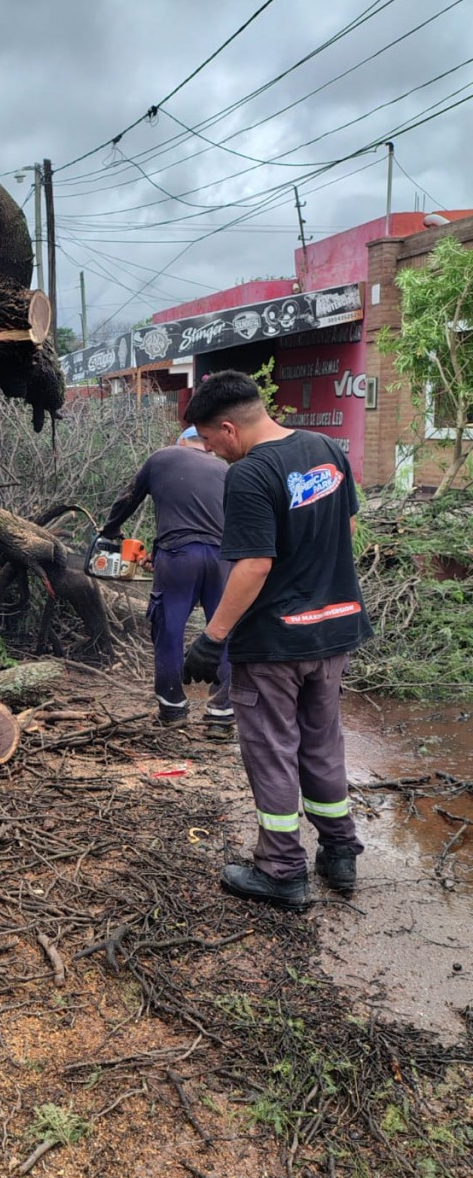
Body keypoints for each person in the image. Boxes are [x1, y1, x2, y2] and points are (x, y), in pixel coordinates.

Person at [180, 370, 372, 907]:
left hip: (274, 644)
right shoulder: (326, 449)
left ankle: (283, 871)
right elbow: (347, 529)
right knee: (322, 743)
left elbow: (254, 566)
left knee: (271, 752)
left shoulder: (248, 474)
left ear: (228, 428)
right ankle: (339, 853)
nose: (213, 453)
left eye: (211, 442)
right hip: (333, 630)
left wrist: (212, 638)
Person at [98, 426, 234, 737]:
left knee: (168, 628)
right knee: (224, 629)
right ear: (207, 445)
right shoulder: (224, 468)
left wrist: (111, 530)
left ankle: (172, 709)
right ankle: (221, 714)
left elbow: (127, 498)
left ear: (182, 442)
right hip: (223, 557)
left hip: (178, 557)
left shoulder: (162, 457)